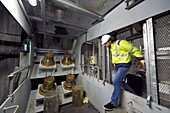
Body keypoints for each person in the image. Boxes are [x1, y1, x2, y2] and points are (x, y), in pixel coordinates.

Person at [101, 34, 145, 110]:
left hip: (124, 65)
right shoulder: (112, 46)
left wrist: (140, 58)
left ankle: (113, 103)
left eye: (105, 43)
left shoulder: (121, 43)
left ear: (110, 41)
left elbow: (133, 48)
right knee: (120, 82)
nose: (104, 45)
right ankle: (133, 93)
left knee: (116, 82)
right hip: (118, 66)